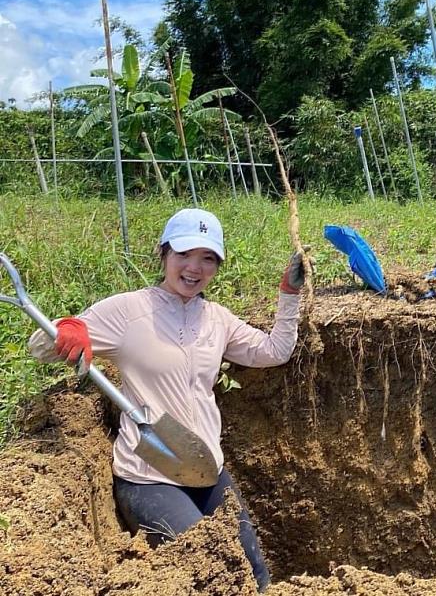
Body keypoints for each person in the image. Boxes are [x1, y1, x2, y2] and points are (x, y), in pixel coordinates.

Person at [28, 208, 307, 593]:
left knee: (256, 572)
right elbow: (41, 348)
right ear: (163, 253)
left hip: (205, 468)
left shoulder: (217, 318)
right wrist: (70, 328)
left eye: (208, 258)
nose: (194, 268)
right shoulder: (127, 311)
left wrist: (288, 296)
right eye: (184, 254)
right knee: (208, 568)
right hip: (148, 477)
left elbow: (273, 351)